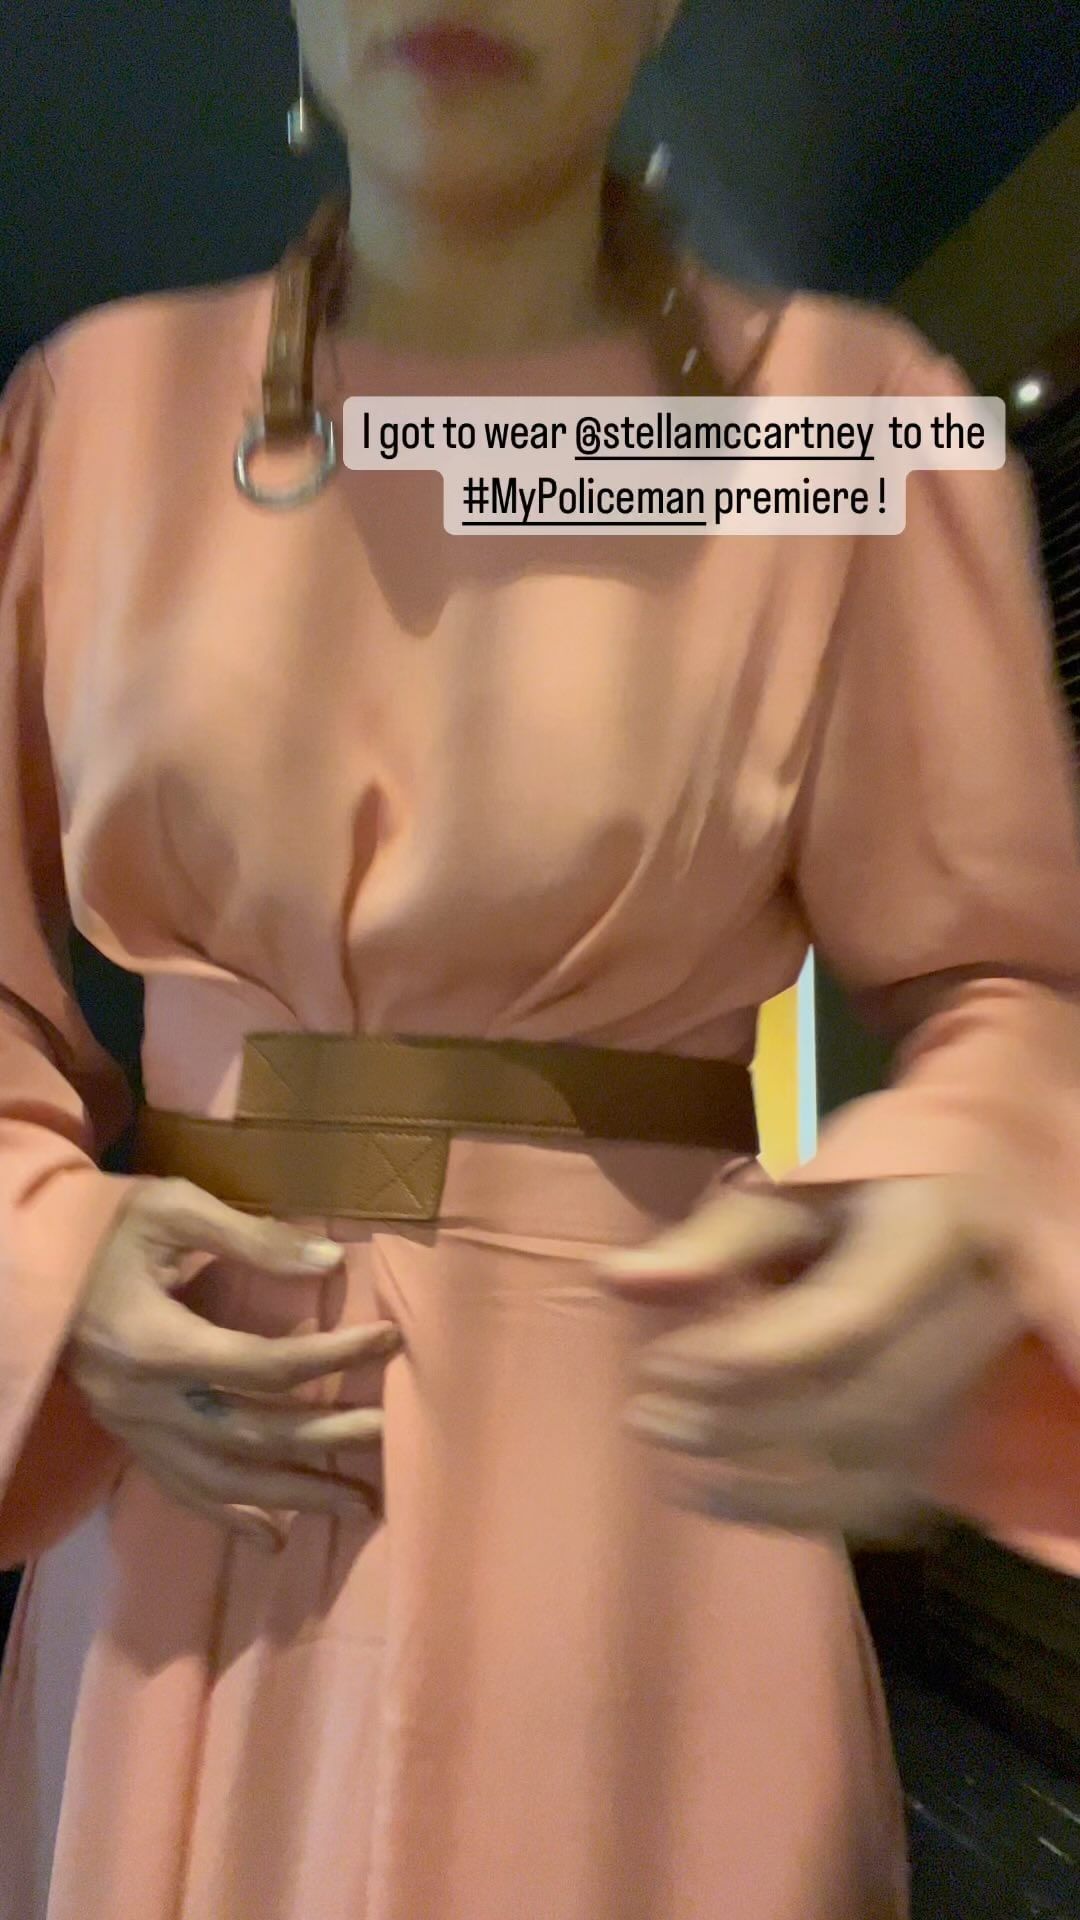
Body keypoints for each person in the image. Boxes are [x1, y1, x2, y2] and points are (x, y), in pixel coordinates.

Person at [0, 1, 1078, 1916]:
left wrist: (948, 1193)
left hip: (652, 1501)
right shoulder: (91, 422)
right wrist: (48, 1263)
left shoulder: (836, 433)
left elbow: (1011, 997)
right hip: (200, 1487)